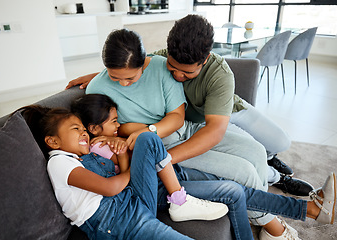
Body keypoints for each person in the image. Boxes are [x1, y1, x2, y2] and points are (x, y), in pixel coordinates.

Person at [65, 15, 313, 198]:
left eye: (186, 72)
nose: (177, 76)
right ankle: (270, 210)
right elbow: (131, 61)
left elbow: (211, 130)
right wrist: (102, 76)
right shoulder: (160, 61)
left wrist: (161, 153)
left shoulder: (217, 75)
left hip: (219, 116)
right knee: (246, 168)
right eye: (173, 68)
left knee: (268, 147)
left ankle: (274, 172)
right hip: (184, 127)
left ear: (203, 61)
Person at [65, 93, 335, 240]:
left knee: (236, 190)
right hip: (150, 194)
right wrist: (120, 149)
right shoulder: (94, 149)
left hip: (164, 177)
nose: (118, 125)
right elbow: (120, 179)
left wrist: (119, 141)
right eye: (113, 121)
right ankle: (179, 199)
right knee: (149, 139)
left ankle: (312, 209)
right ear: (94, 128)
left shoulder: (109, 140)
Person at [17, 105, 231, 240]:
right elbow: (109, 188)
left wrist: (120, 152)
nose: (83, 132)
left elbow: (118, 180)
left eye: (83, 128)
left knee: (148, 138)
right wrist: (134, 172)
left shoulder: (81, 157)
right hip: (113, 220)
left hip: (129, 203)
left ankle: (178, 200)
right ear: (53, 142)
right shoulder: (58, 163)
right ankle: (179, 200)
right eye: (76, 129)